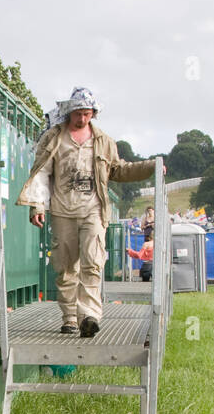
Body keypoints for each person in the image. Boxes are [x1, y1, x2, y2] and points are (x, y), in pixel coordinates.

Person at [16, 87, 161, 337]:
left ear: (93, 114)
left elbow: (118, 170)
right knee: (65, 267)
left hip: (93, 210)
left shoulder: (103, 141)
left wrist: (152, 167)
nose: (82, 119)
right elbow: (41, 172)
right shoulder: (54, 138)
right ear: (69, 112)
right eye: (78, 113)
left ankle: (90, 315)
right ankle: (70, 317)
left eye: (87, 113)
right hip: (62, 210)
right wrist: (37, 206)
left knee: (92, 263)